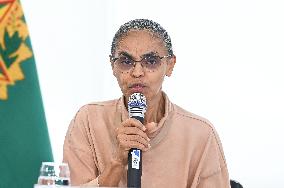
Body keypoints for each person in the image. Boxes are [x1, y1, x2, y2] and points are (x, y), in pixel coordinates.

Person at [63, 19, 230, 187]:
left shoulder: (200, 133)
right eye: (126, 62)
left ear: (170, 65)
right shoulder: (89, 121)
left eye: (150, 61)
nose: (137, 72)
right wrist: (117, 163)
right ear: (113, 66)